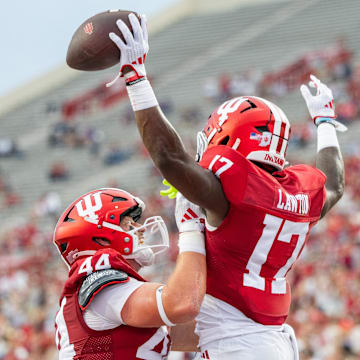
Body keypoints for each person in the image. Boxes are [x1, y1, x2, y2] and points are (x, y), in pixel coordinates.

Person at [107, 14, 345, 359]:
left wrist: (136, 78)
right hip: (270, 337)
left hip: (238, 345)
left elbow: (170, 158)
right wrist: (325, 122)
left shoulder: (230, 193)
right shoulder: (298, 192)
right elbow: (334, 184)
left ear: (228, 134)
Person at [53, 187, 206, 359]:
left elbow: (203, 333)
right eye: (128, 224)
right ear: (102, 239)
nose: (140, 229)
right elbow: (182, 304)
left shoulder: (117, 296)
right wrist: (191, 229)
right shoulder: (101, 286)